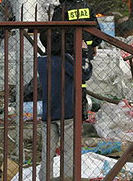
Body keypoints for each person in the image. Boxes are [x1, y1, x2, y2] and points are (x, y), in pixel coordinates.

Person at [44, 0, 101, 120]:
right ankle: (82, 113)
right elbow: (97, 31)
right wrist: (93, 46)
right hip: (84, 51)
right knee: (81, 81)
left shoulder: (61, 11)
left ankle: (70, 113)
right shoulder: (86, 7)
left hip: (68, 53)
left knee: (68, 83)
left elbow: (54, 34)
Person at [37, 43, 93, 181]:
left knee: (47, 152)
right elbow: (84, 74)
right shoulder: (65, 61)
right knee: (69, 151)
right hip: (66, 113)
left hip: (48, 114)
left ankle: (45, 177)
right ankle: (68, 177)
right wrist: (84, 54)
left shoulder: (41, 61)